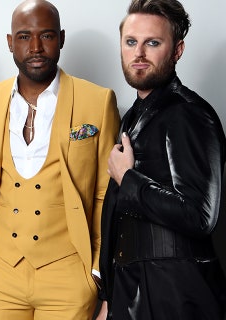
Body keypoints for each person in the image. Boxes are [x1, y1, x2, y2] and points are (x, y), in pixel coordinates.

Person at [0, 0, 120, 318]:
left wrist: (97, 273)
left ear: (61, 39)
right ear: (10, 42)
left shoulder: (98, 100)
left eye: (46, 36)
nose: (35, 47)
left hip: (69, 274)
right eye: (24, 36)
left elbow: (108, 196)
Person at [97, 0, 226, 319]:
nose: (138, 53)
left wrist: (129, 179)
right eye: (131, 42)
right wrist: (109, 297)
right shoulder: (133, 117)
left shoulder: (189, 113)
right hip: (132, 291)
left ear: (177, 50)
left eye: (152, 42)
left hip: (176, 295)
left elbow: (200, 215)